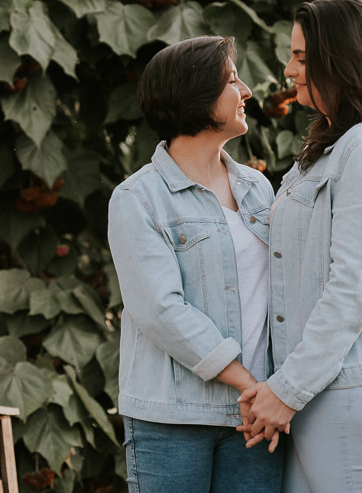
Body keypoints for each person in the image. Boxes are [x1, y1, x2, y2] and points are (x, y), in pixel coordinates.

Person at [237, 0, 362, 492]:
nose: (289, 69)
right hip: (326, 385)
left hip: (358, 384)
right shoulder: (333, 146)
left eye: (302, 57)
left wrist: (285, 391)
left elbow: (353, 287)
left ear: (341, 59)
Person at [107, 36, 283, 493]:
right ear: (196, 97)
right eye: (231, 80)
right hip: (173, 418)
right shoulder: (137, 198)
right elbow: (160, 310)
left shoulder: (258, 190)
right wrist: (249, 383)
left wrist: (274, 391)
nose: (246, 91)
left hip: (255, 416)